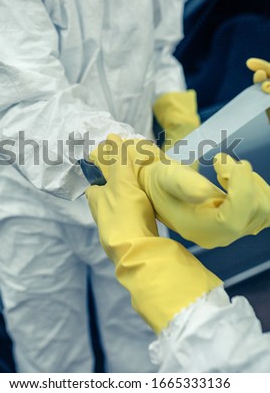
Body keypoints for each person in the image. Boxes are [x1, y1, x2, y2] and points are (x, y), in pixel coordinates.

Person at [0, 0, 201, 373]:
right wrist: (131, 160)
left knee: (150, 351)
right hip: (32, 201)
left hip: (132, 192)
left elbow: (157, 49)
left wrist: (175, 110)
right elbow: (18, 100)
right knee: (51, 366)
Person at [86, 68, 270, 372]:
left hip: (126, 187)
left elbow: (229, 372)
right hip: (40, 206)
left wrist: (168, 289)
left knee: (133, 341)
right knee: (48, 345)